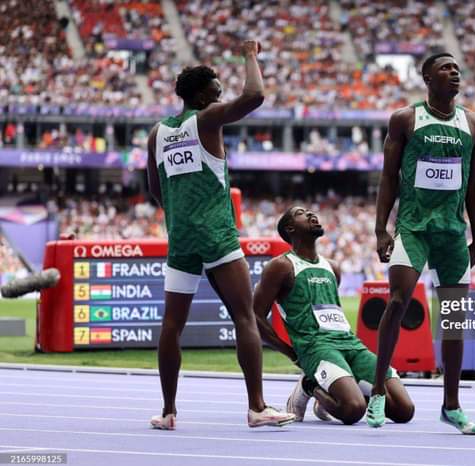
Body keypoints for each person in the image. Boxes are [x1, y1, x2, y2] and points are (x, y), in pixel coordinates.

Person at [145, 40, 295, 430]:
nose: (220, 93)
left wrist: (181, 214)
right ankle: (257, 407)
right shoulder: (208, 118)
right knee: (245, 316)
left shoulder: (158, 133)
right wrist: (250, 55)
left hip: (181, 236)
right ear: (199, 96)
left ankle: (168, 412)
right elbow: (255, 95)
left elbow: (155, 189)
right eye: (215, 88)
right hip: (216, 234)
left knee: (171, 325)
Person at [369, 52, 475, 434]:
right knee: (398, 301)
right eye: (445, 69)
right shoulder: (406, 119)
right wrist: (381, 229)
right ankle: (377, 392)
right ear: (427, 78)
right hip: (413, 227)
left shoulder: (474, 124)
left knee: (453, 318)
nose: (454, 73)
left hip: (452, 232)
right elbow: (388, 176)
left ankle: (451, 406)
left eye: (457, 69)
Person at [252, 206, 415, 425]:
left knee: (404, 410)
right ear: (290, 229)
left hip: (351, 344)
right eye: (301, 213)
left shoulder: (333, 267)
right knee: (353, 409)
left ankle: (336, 385)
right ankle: (310, 385)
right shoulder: (280, 266)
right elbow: (255, 316)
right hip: (317, 348)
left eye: (310, 211)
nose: (311, 214)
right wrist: (292, 353)